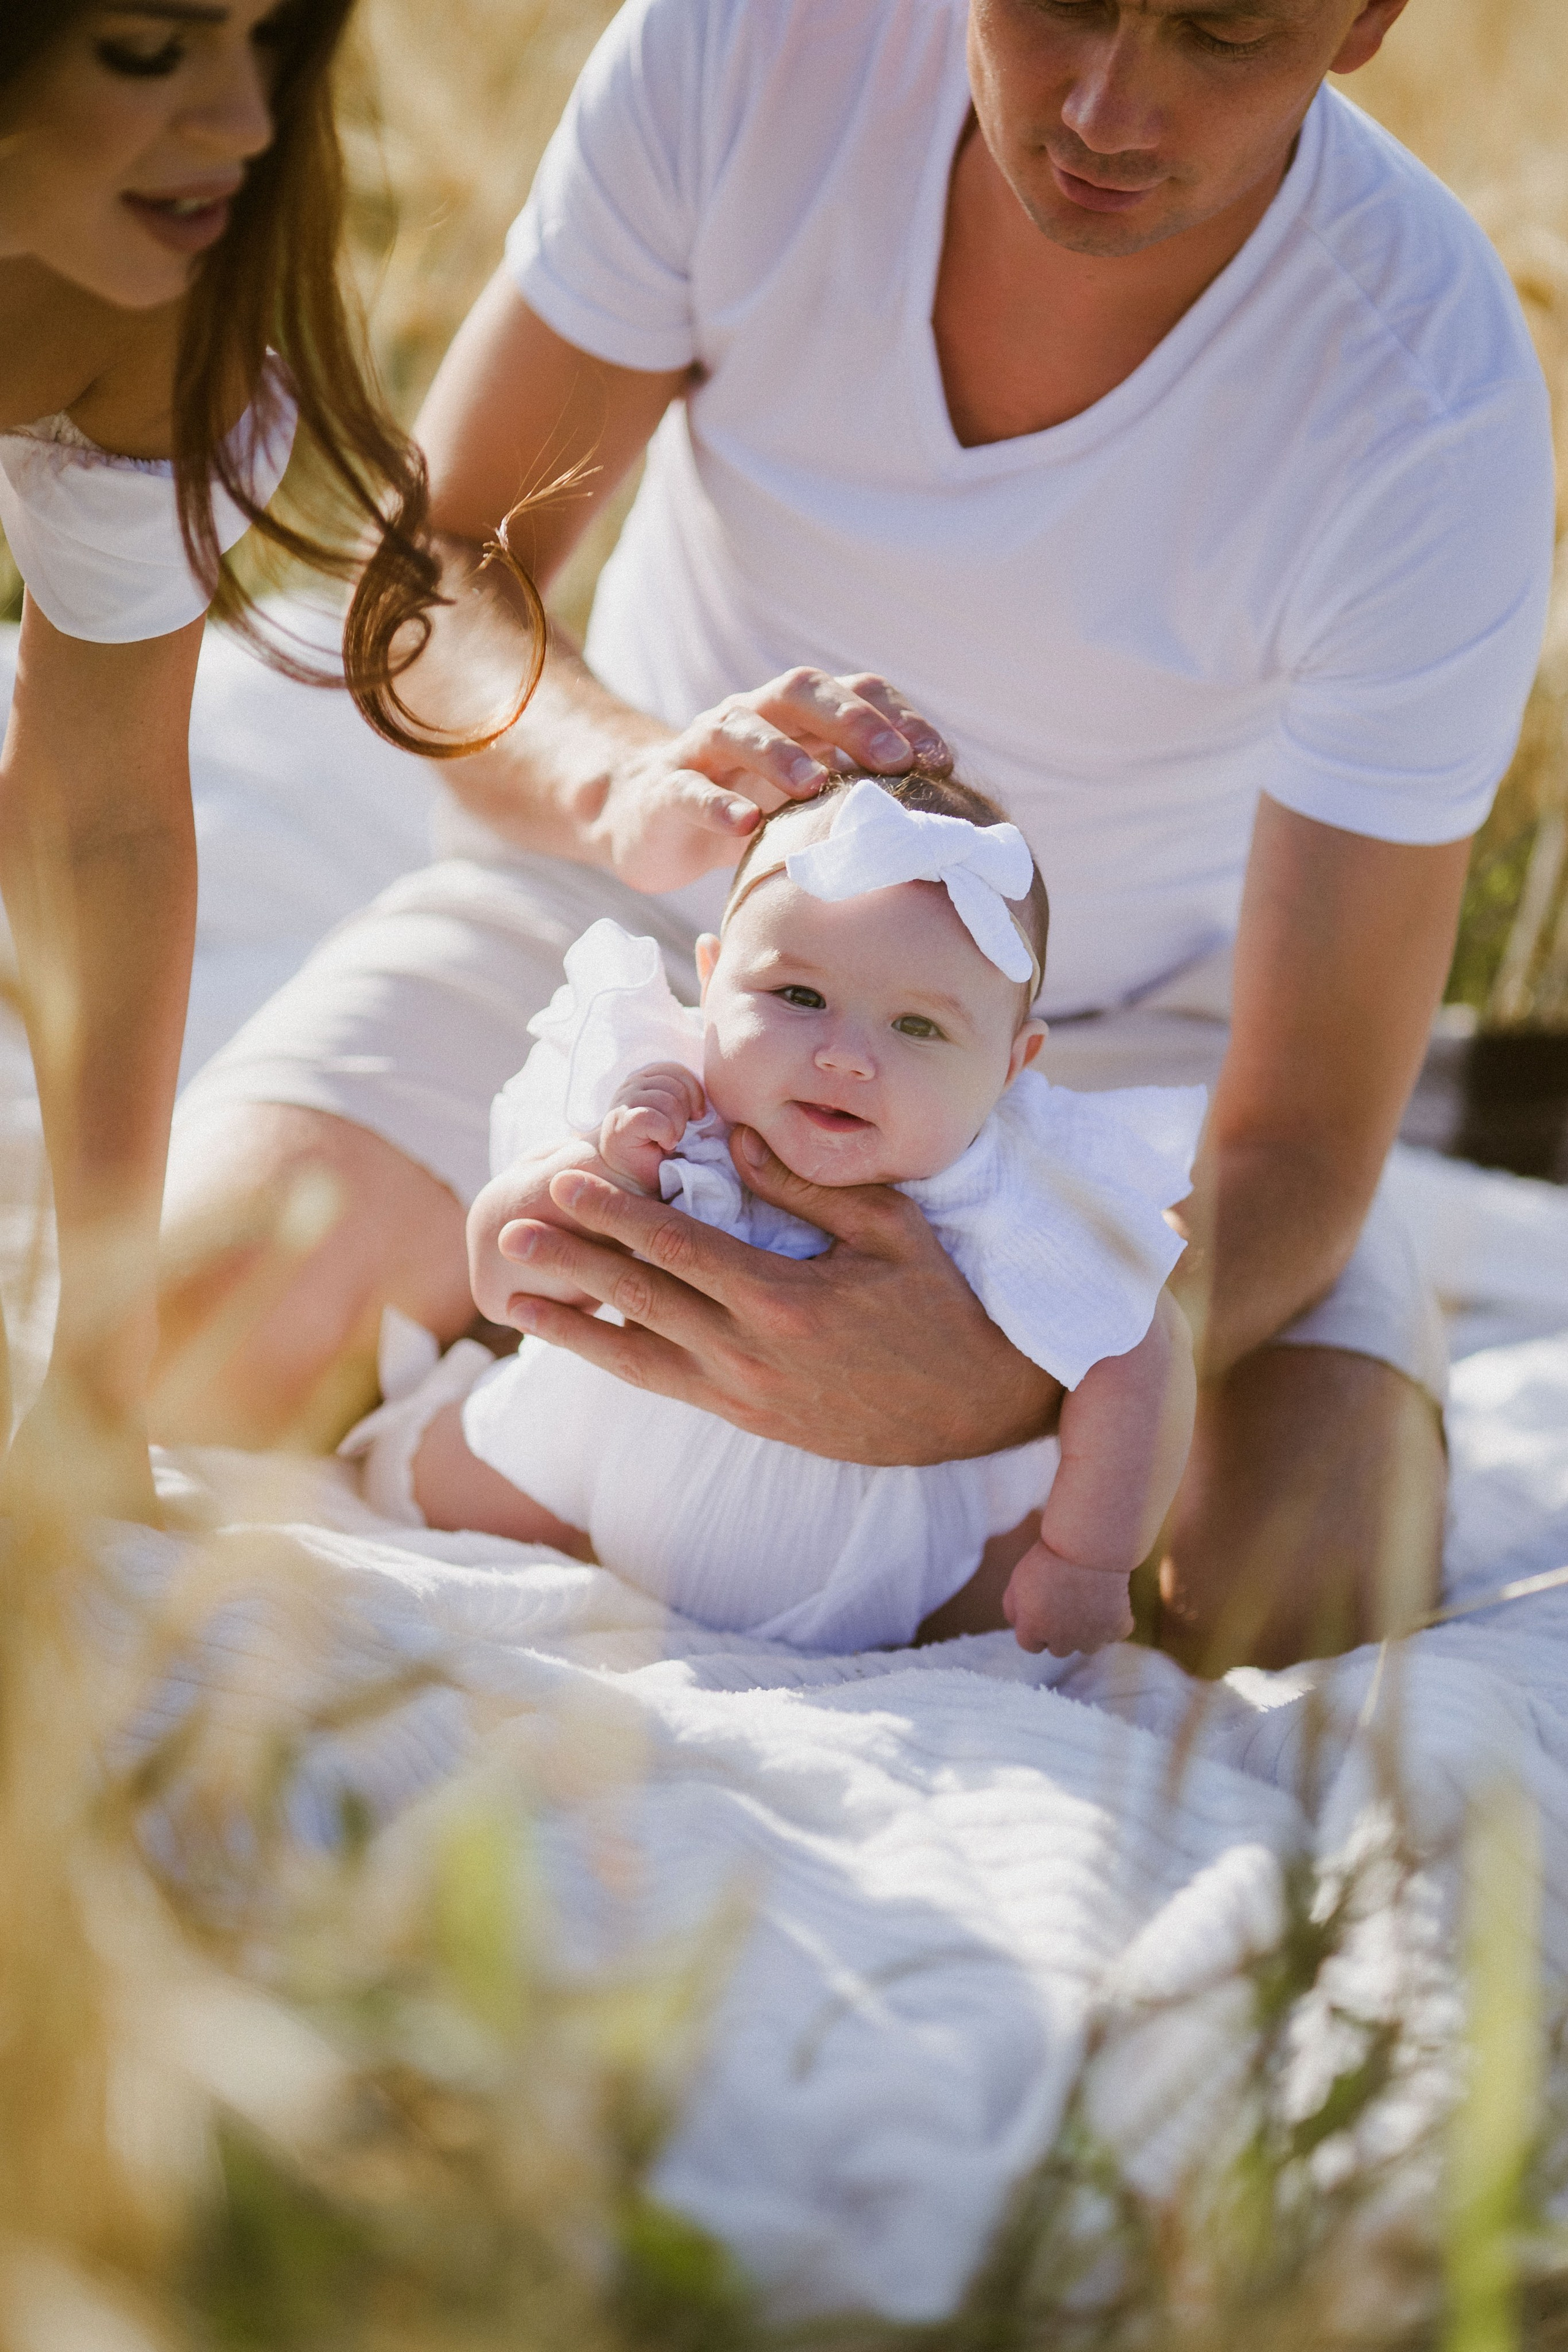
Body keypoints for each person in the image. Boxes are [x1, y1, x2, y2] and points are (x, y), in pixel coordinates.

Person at [161, 0, 1555, 1672]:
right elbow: (438, 567)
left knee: (1304, 1590)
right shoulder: (741, 53)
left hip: (1124, 1063)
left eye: (1223, 30)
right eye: (1058, 3)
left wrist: (1014, 1362)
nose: (1110, 104)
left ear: (1367, 20)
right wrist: (624, 783)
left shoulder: (1431, 402)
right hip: (654, 927)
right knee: (179, 1332)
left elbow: (1310, 1137)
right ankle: (541, 1409)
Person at [0, 2, 543, 1518]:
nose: (243, 121)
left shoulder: (147, 305)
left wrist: (92, 1384)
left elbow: (93, 812)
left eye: (272, 36)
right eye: (149, 48)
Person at [341, 773, 1202, 1656]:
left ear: (1012, 1068)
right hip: (582, 1480)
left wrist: (1085, 1559)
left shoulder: (1007, 1190)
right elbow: (499, 1271)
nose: (845, 1056)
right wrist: (597, 1173)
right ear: (710, 982)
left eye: (918, 1028)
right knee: (436, 1478)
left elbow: (1141, 1352)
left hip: (878, 1566)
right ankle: (405, 1432)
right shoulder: (667, 1100)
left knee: (1003, 1616)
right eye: (797, 997)